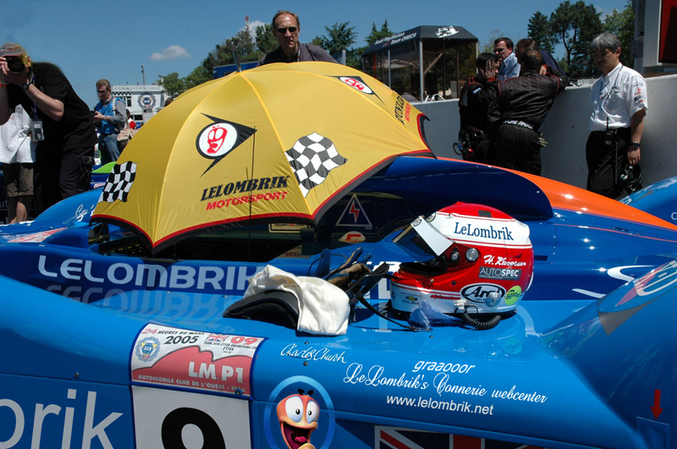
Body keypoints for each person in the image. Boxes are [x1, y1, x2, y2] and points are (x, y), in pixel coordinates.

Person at [0, 43, 97, 214]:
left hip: (76, 135)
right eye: (5, 62)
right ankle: (52, 234)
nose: (11, 67)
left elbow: (57, 111)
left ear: (27, 61)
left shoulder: (47, 72)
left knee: (69, 187)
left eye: (14, 61)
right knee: (45, 193)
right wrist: (2, 83)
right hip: (49, 139)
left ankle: (78, 233)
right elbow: (2, 118)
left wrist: (25, 85)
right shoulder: (11, 83)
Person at [586, 33, 648, 198]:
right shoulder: (597, 84)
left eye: (604, 54)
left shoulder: (631, 77)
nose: (599, 59)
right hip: (595, 140)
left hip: (615, 140)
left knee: (602, 190)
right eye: (595, 55)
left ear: (617, 52)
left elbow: (639, 113)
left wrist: (635, 145)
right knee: (593, 188)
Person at [490, 50, 568, 175]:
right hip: (528, 132)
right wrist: (549, 69)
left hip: (505, 131)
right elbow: (564, 79)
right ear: (540, 66)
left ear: (522, 65)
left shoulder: (506, 85)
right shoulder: (549, 84)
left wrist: (496, 135)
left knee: (508, 176)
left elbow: (493, 114)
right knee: (532, 178)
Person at [457, 52, 499, 163]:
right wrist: (491, 81)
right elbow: (487, 101)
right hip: (475, 140)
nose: (496, 72)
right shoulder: (471, 87)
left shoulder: (490, 84)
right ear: (482, 70)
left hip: (488, 138)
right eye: (493, 69)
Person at [258, 11, 338, 65]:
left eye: (292, 29)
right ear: (275, 34)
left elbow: (339, 74)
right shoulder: (267, 61)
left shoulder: (314, 53)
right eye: (282, 30)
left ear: (298, 30)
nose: (288, 34)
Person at [0, 105, 36, 222]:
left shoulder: (3, 95)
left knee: (13, 195)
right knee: (25, 194)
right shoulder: (26, 94)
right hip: (24, 149)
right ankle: (19, 227)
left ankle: (11, 226)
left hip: (5, 148)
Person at [93, 79, 125, 164]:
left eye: (102, 91)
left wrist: (104, 117)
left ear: (109, 90)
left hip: (114, 136)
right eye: (98, 92)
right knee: (105, 164)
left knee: (116, 164)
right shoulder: (98, 106)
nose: (100, 94)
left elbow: (122, 118)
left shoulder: (117, 102)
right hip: (102, 137)